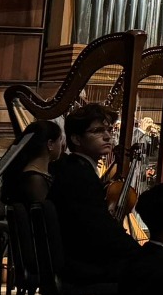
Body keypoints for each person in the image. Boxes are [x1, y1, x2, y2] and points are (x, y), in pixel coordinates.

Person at [50, 104, 139, 282]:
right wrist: (139, 251)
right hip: (82, 263)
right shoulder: (79, 176)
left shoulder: (74, 168)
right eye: (97, 131)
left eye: (109, 130)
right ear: (76, 139)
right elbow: (98, 231)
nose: (107, 136)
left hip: (80, 256)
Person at [1, 121, 63, 206]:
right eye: (60, 140)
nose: (62, 145)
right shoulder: (34, 179)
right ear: (50, 144)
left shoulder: (43, 173)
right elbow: (47, 212)